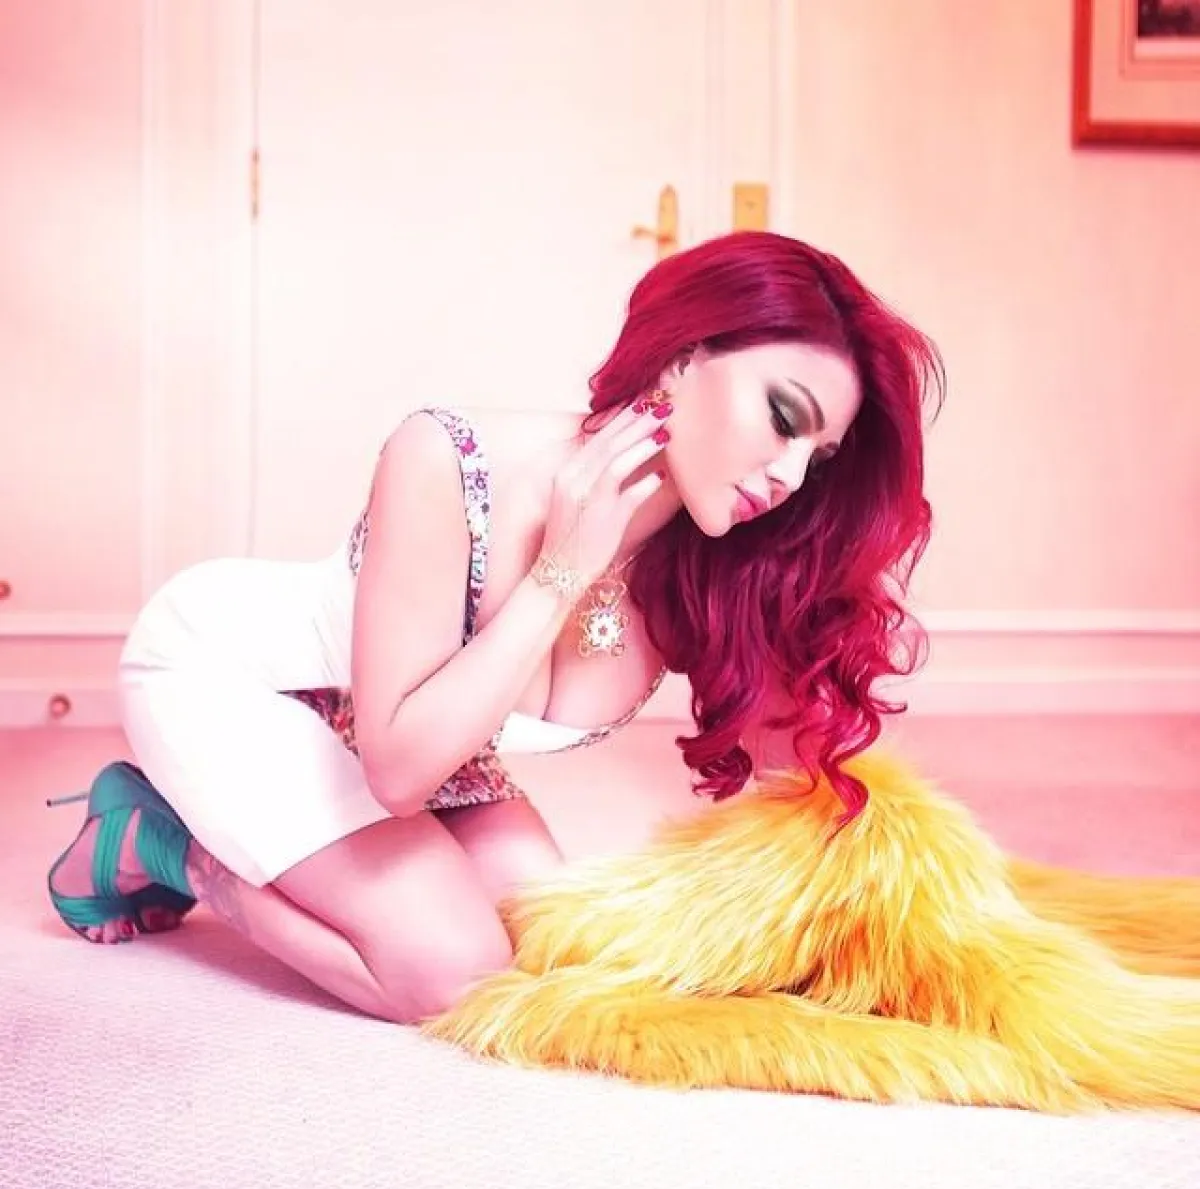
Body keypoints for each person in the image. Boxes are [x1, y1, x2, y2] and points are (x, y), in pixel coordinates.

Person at [45, 230, 943, 1024]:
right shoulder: (449, 456)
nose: (790, 475)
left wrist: (895, 939)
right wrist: (564, 570)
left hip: (422, 741)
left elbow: (804, 781)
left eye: (818, 456)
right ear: (683, 358)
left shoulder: (722, 559)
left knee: (564, 953)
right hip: (240, 682)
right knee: (454, 972)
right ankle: (166, 840)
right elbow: (399, 774)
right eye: (784, 418)